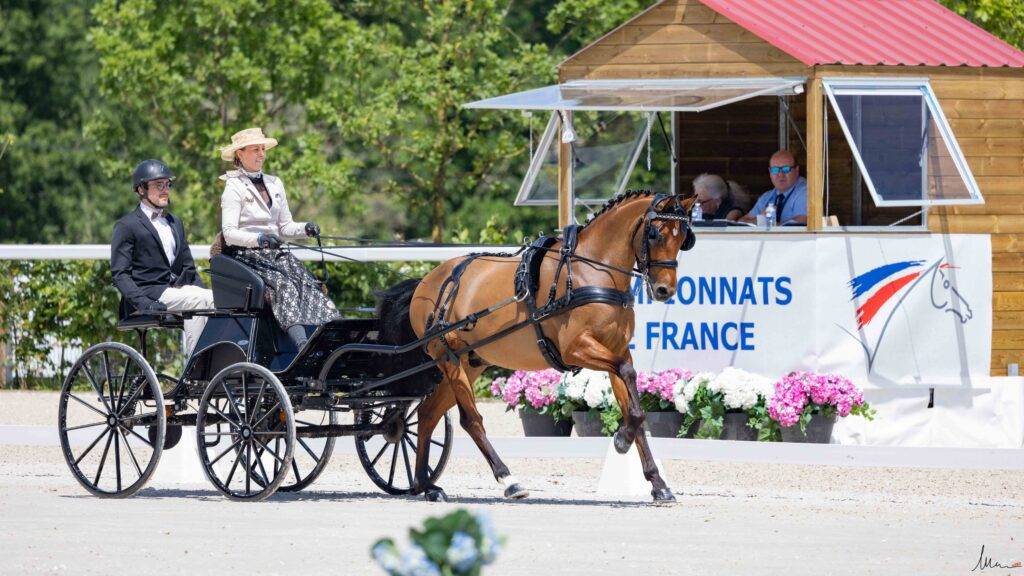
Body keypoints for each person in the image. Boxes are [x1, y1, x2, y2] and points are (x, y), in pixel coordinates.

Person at [218, 127, 339, 350]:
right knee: (284, 286)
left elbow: (285, 226)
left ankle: (331, 339)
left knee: (309, 284)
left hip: (274, 252)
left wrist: (305, 229)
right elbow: (229, 233)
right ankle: (301, 344)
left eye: (262, 149)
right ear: (240, 154)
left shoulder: (275, 183)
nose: (261, 154)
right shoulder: (233, 187)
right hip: (247, 255)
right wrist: (260, 239)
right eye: (255, 149)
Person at [111, 159, 214, 354]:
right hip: (149, 295)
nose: (165, 190)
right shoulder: (126, 226)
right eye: (159, 185)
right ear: (141, 189)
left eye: (167, 185)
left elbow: (188, 268)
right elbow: (120, 275)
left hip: (178, 292)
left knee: (216, 300)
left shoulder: (175, 222)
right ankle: (197, 367)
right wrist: (145, 304)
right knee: (197, 301)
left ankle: (221, 363)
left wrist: (201, 290)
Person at [740, 149, 808, 226]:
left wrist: (769, 224)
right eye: (775, 170)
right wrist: (760, 220)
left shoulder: (805, 191)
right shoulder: (767, 196)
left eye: (786, 169)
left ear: (797, 170)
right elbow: (742, 221)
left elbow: (803, 221)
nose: (780, 175)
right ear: (770, 172)